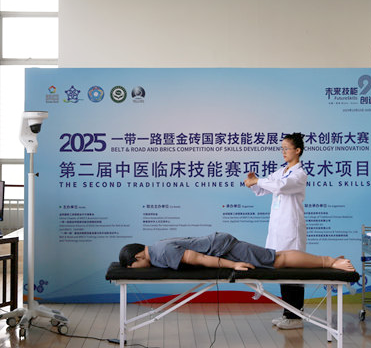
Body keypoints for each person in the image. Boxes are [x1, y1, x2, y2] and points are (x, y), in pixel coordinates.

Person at [244, 132, 308, 330]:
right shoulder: (281, 171)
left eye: (286, 148)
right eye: (282, 149)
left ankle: (296, 316)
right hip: (278, 229)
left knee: (292, 272)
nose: (283, 152)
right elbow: (263, 188)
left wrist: (258, 181)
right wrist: (253, 182)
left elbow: (280, 187)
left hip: (291, 229)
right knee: (281, 270)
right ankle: (288, 314)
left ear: (297, 151)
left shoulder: (299, 174)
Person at [119, 232, 353, 272]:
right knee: (276, 258)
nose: (136, 270)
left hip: (226, 249)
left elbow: (198, 258)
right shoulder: (157, 250)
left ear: (138, 256)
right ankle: (330, 260)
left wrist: (233, 265)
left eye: (133, 267)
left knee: (277, 260)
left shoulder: (161, 252)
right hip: (221, 245)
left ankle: (330, 262)